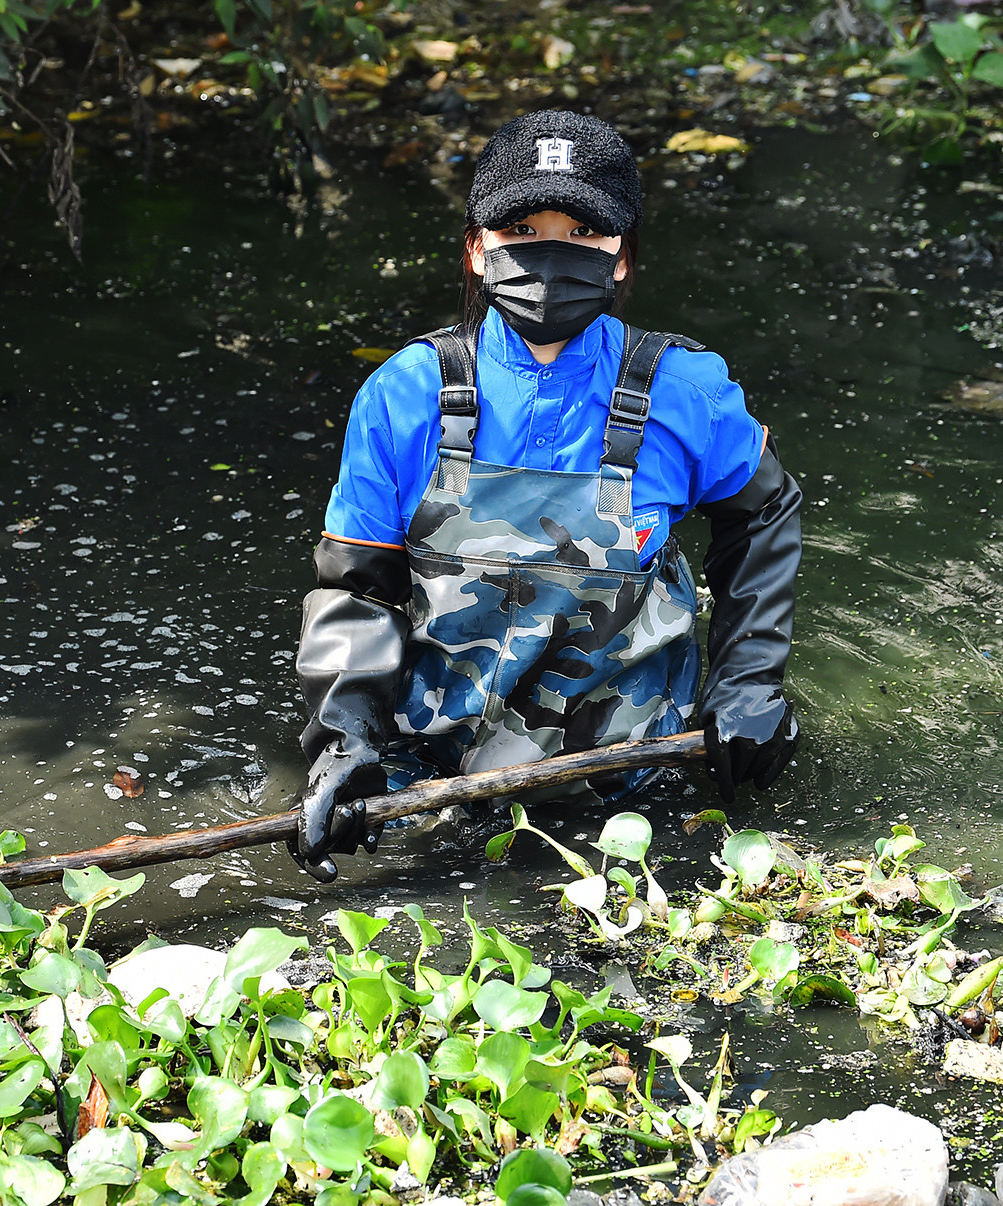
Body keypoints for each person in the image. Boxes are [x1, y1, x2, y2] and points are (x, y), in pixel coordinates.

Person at [288, 109, 803, 882]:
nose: (550, 254)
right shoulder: (405, 393)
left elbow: (763, 514)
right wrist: (346, 740)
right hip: (436, 770)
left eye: (582, 232)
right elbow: (356, 589)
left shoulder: (687, 389)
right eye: (521, 229)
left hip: (634, 775)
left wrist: (748, 687)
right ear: (475, 249)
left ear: (622, 257)